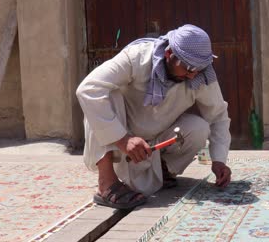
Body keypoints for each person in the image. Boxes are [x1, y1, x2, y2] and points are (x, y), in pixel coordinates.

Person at [76, 24, 232, 209]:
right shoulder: (136, 57)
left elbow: (218, 116)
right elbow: (88, 89)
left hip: (155, 145)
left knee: (199, 127)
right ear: (168, 54)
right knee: (104, 95)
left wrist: (219, 161)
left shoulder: (199, 73)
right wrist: (123, 139)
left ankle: (164, 172)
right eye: (188, 67)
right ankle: (107, 184)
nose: (192, 75)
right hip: (119, 144)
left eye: (198, 69)